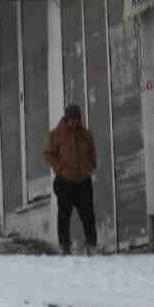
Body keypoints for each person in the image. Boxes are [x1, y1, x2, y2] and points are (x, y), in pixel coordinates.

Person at [44, 103, 97, 255]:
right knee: (64, 216)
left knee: (88, 216)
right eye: (72, 119)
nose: (75, 122)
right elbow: (48, 154)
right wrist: (60, 168)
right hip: (65, 182)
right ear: (66, 119)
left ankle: (91, 245)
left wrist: (91, 165)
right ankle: (64, 246)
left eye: (77, 119)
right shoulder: (56, 134)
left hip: (83, 182)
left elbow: (91, 152)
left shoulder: (86, 134)